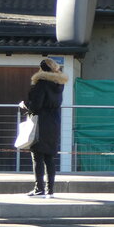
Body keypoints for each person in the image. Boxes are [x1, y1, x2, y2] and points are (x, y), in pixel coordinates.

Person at [22, 57, 67, 197]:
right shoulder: (59, 84)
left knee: (37, 156)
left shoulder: (41, 83)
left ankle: (39, 189)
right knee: (49, 158)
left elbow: (36, 106)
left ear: (42, 69)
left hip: (41, 123)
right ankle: (50, 190)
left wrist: (24, 105)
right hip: (54, 123)